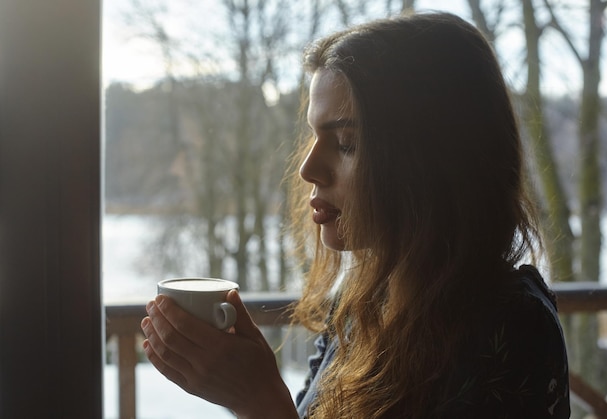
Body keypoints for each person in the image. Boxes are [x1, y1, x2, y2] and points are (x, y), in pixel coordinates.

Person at [141, 11, 571, 418]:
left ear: (434, 162)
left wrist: (259, 400)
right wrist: (244, 387)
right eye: (314, 136)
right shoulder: (362, 307)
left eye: (346, 142)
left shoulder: (513, 328)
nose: (308, 169)